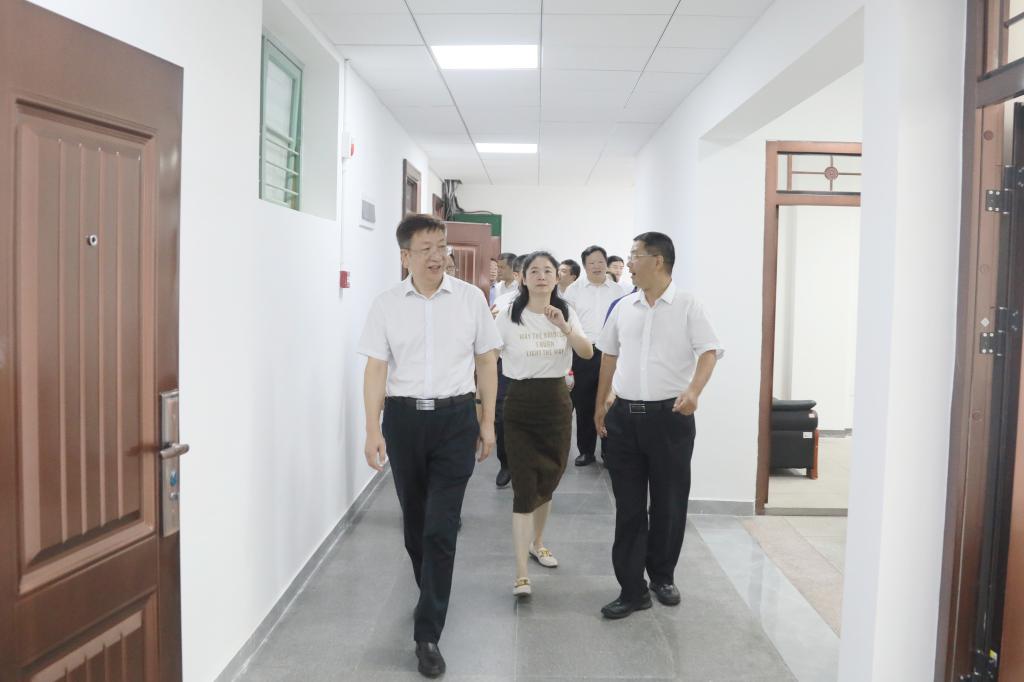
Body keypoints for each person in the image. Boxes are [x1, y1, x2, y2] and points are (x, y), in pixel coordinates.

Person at [358, 213, 502, 678]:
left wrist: (487, 423)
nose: (438, 256)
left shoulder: (470, 299)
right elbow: (376, 369)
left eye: (442, 247)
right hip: (403, 421)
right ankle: (432, 590)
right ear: (406, 256)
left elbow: (486, 361)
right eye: (426, 249)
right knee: (415, 526)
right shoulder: (386, 304)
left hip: (455, 420)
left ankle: (427, 633)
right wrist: (372, 428)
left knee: (441, 527)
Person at [593, 231, 723, 620]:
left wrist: (694, 390)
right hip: (624, 418)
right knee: (629, 507)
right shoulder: (623, 306)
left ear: (658, 261)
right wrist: (600, 404)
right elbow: (608, 356)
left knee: (669, 502)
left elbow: (709, 350)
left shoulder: (687, 305)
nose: (628, 263)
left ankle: (662, 576)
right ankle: (631, 589)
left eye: (634, 256)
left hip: (671, 419)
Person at [494, 251, 592, 597]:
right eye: (533, 271)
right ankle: (521, 572)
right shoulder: (509, 315)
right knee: (524, 487)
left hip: (556, 403)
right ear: (522, 278)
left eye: (547, 271)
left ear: (556, 277)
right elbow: (489, 355)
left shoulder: (566, 311)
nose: (540, 276)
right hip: (520, 402)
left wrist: (564, 327)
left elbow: (586, 352)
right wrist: (481, 399)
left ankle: (538, 543)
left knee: (548, 478)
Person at [562, 245, 623, 466]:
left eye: (600, 262)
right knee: (584, 402)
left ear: (606, 264)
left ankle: (608, 451)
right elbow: (567, 323)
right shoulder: (574, 290)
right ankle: (586, 451)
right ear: (585, 266)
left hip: (612, 352)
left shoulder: (618, 291)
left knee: (609, 402)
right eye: (591, 263)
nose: (597, 266)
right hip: (584, 352)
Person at [491, 254, 527, 488]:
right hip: (506, 366)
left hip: (537, 371)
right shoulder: (503, 301)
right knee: (502, 417)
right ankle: (506, 463)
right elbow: (492, 339)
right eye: (529, 272)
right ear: (518, 275)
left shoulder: (554, 304)